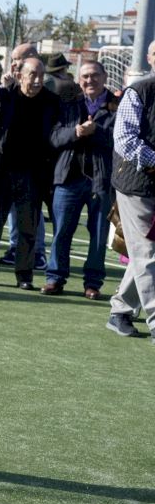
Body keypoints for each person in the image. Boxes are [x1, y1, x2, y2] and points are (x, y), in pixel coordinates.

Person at [0, 57, 60, 289]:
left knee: (28, 229)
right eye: (32, 75)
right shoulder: (3, 96)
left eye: (41, 75)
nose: (38, 80)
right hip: (1, 172)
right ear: (20, 76)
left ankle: (24, 276)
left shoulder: (51, 101)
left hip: (33, 175)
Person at [44, 60, 116, 299]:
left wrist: (96, 132)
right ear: (78, 80)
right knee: (61, 231)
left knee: (99, 234)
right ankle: (55, 278)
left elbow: (120, 140)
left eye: (95, 75)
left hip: (101, 179)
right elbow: (54, 137)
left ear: (105, 77)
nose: (90, 80)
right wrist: (75, 132)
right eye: (85, 76)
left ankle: (93, 283)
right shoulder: (68, 104)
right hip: (68, 177)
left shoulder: (118, 105)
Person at [106, 45, 155, 341]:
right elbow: (124, 139)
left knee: (144, 253)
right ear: (150, 59)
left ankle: (121, 310)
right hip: (137, 185)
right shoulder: (139, 91)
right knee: (147, 252)